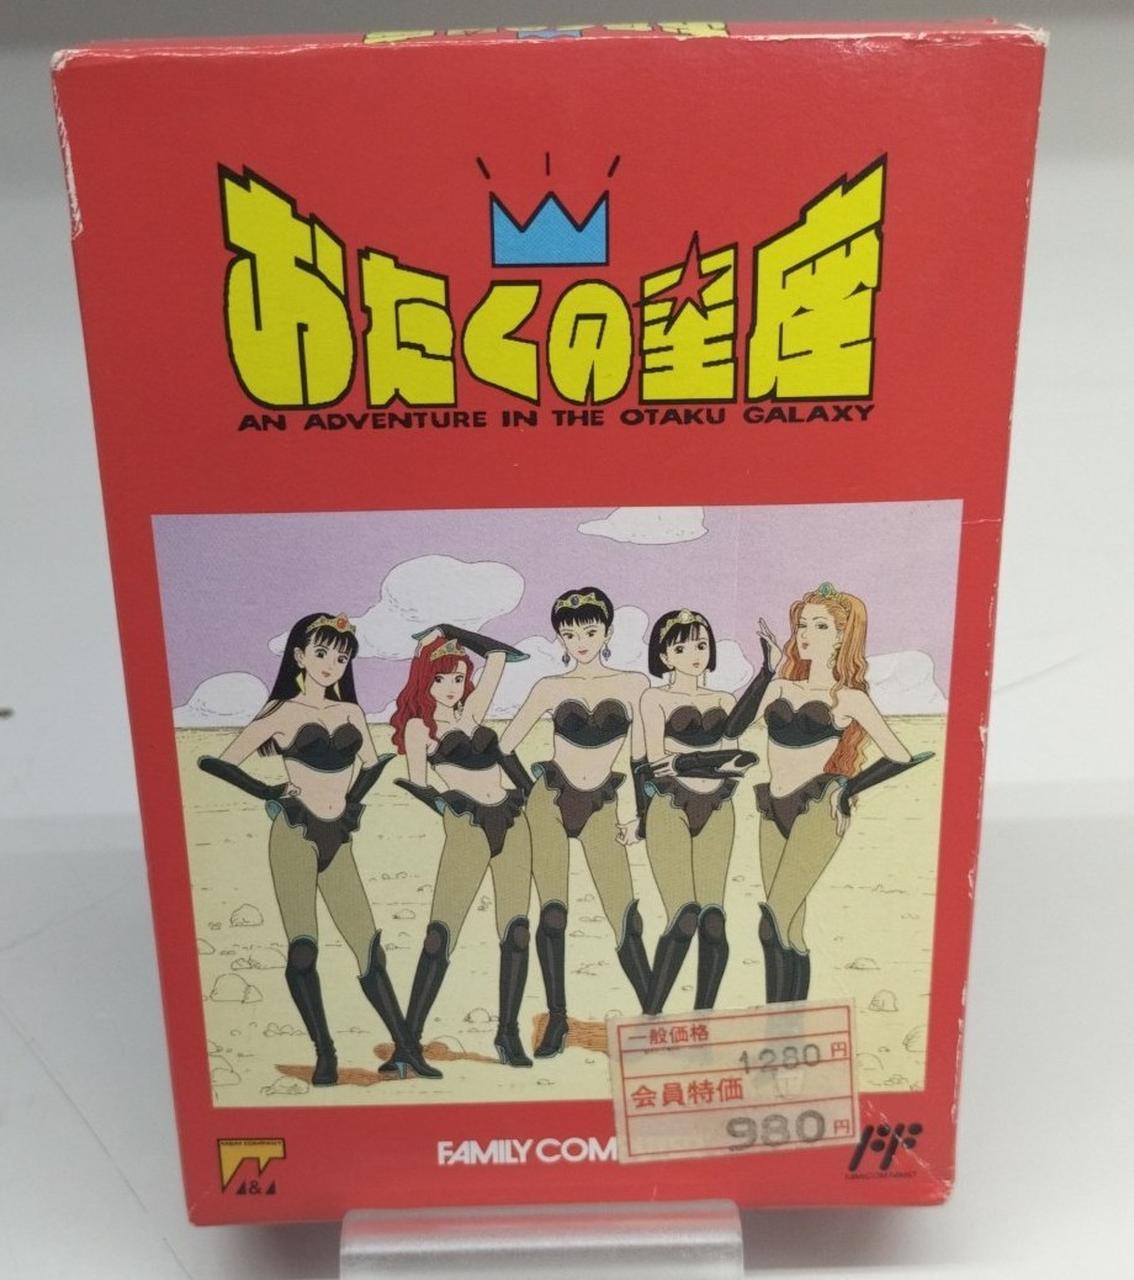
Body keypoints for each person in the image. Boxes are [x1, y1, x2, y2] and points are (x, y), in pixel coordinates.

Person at [197, 612, 431, 1084]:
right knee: (304, 949)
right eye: (321, 653)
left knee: (368, 946)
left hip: (337, 836)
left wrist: (352, 802)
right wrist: (267, 792)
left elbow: (371, 765)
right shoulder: (281, 713)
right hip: (293, 836)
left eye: (341, 658)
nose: (330, 664)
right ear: (300, 656)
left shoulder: (351, 713)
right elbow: (216, 762)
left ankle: (406, 1050)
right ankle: (326, 1053)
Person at [753, 585, 932, 1002]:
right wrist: (767, 669)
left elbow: (901, 755)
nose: (805, 634)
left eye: (820, 626)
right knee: (789, 926)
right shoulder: (780, 688)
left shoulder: (849, 698)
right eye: (802, 625)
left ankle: (778, 1023)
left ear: (841, 636)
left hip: (819, 809)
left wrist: (849, 787)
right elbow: (733, 727)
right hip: (772, 808)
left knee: (772, 921)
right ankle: (790, 1023)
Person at [499, 588, 652, 1058]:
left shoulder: (635, 685)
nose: (580, 642)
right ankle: (558, 1020)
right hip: (548, 800)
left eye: (589, 631)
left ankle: (654, 1016)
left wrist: (642, 817)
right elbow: (505, 745)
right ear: (560, 639)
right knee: (553, 914)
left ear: (607, 631)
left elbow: (642, 760)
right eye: (569, 634)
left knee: (625, 913)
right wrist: (528, 791)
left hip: (603, 802)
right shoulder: (550, 687)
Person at [389, 625, 533, 1073]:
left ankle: (507, 1034)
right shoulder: (420, 727)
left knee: (516, 930)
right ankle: (407, 1045)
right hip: (466, 826)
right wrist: (446, 803)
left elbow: (500, 656)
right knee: (441, 933)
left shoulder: (471, 714)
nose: (451, 686)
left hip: (512, 820)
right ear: (423, 680)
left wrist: (450, 631)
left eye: (458, 677)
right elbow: (418, 783)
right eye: (440, 678)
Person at [636, 608, 765, 1014]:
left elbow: (735, 755)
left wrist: (767, 671)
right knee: (684, 915)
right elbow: (656, 763)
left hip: (719, 808)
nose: (694, 654)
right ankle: (651, 1017)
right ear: (664, 656)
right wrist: (708, 762)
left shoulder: (724, 700)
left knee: (713, 921)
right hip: (668, 807)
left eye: (701, 644)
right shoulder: (654, 698)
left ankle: (703, 1018)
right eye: (681, 648)